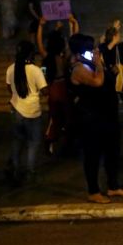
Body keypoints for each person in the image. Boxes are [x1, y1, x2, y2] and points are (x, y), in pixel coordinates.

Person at [69, 34, 123, 203]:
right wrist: (99, 63)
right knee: (92, 155)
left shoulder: (93, 64)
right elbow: (97, 82)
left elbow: (107, 80)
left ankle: (113, 187)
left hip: (108, 117)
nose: (95, 50)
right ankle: (93, 191)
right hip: (91, 120)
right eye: (91, 48)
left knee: (113, 152)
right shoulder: (78, 68)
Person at [6, 41, 47, 184]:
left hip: (17, 110)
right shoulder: (36, 71)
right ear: (31, 54)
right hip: (33, 112)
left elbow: (9, 88)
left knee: (17, 142)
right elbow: (45, 91)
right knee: (33, 143)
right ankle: (30, 172)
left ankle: (16, 170)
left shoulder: (11, 69)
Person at [37, 15, 79, 154]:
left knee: (54, 117)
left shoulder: (47, 56)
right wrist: (74, 23)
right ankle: (67, 142)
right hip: (63, 88)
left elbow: (39, 43)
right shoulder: (63, 57)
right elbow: (73, 40)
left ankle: (50, 139)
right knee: (69, 116)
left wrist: (41, 26)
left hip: (53, 88)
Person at [99, 21, 123, 134]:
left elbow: (102, 39)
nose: (120, 36)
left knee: (110, 104)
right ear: (115, 36)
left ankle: (111, 125)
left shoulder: (102, 47)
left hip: (108, 79)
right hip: (121, 78)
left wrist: (113, 28)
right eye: (118, 35)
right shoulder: (120, 47)